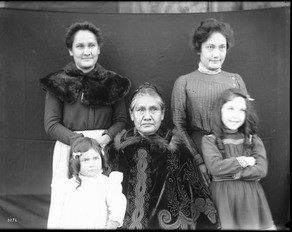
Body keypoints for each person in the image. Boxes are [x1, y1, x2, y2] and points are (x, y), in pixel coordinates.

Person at [38, 21, 131, 228]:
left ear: (99, 48)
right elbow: (51, 124)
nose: (86, 51)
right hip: (71, 149)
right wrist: (80, 142)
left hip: (103, 150)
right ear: (71, 50)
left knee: (103, 203)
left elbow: (121, 120)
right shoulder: (58, 81)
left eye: (91, 45)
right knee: (70, 206)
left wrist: (104, 139)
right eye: (80, 46)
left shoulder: (113, 82)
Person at [105, 82, 220, 229]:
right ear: (131, 114)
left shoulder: (178, 150)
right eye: (141, 110)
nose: (147, 116)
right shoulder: (115, 150)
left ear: (163, 113)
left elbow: (197, 196)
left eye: (154, 109)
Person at [171, 18, 248, 187]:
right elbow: (179, 125)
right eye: (210, 47)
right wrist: (198, 161)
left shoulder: (236, 80)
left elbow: (246, 124)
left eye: (222, 47)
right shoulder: (184, 82)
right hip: (199, 152)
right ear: (199, 49)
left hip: (232, 152)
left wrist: (247, 159)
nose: (216, 54)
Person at [201, 88, 276, 230]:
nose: (236, 115)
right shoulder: (210, 140)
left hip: (250, 197)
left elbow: (261, 169)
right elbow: (215, 168)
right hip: (223, 198)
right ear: (220, 111)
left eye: (242, 110)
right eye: (230, 108)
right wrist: (244, 161)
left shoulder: (253, 140)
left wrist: (237, 174)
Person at [49, 137, 126, 229]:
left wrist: (110, 225)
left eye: (95, 158)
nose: (92, 164)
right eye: (86, 160)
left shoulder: (108, 183)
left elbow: (118, 206)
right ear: (77, 162)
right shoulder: (66, 186)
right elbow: (56, 215)